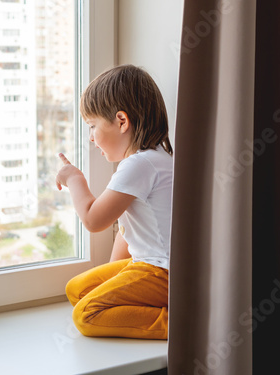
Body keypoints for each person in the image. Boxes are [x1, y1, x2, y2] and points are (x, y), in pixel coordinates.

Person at [55, 64, 173, 340]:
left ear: (122, 121)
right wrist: (113, 280)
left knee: (86, 315)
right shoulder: (154, 158)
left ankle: (182, 324)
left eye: (93, 126)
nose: (91, 137)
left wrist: (74, 178)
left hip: (161, 273)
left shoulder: (140, 164)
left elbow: (94, 220)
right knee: (77, 290)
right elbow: (127, 229)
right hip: (148, 265)